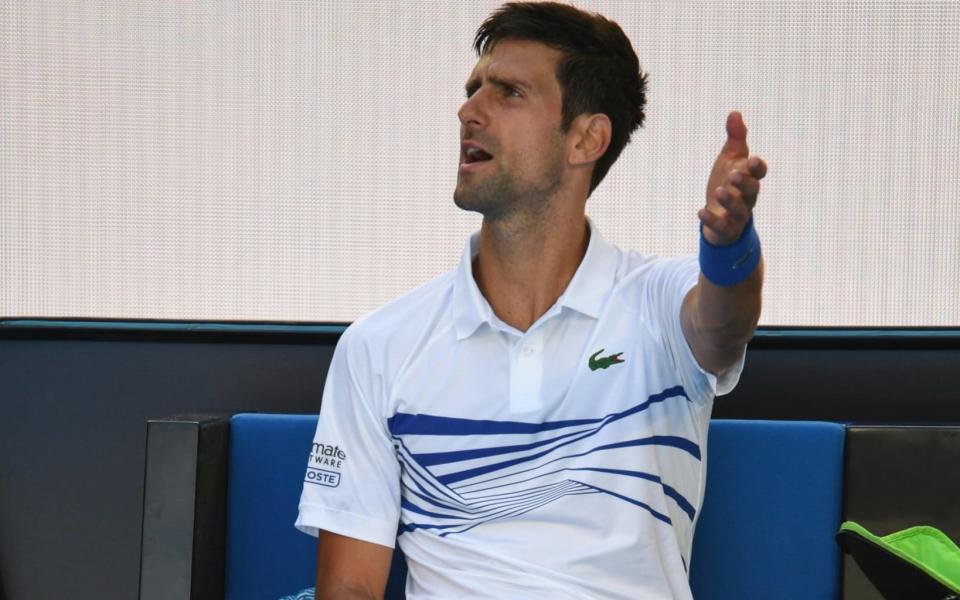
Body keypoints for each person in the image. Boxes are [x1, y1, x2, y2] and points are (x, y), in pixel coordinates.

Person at [294, 2, 767, 598]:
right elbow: (349, 590)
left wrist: (728, 245)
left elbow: (726, 324)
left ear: (586, 138)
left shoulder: (658, 305)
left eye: (508, 92)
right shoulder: (377, 346)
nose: (468, 112)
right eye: (473, 90)